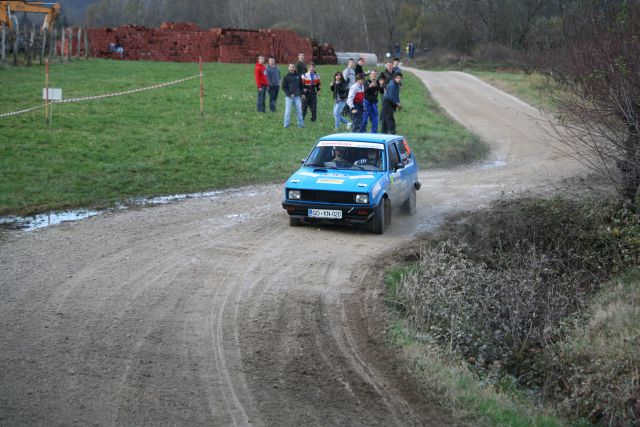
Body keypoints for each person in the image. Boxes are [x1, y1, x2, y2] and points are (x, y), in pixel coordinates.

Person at [282, 63, 304, 128]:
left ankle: (301, 125)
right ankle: (286, 125)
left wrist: (302, 93)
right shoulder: (286, 77)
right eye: (290, 67)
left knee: (299, 111)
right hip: (289, 97)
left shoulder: (298, 76)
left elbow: (301, 86)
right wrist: (289, 94)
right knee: (287, 112)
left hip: (297, 97)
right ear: (288, 68)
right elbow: (284, 87)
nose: (292, 68)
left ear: (294, 68)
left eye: (293, 67)